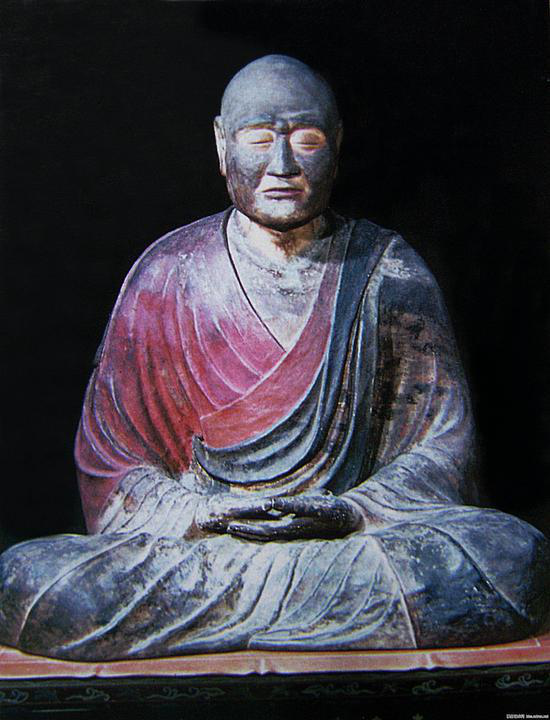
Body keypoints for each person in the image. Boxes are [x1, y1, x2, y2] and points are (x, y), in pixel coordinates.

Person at [0, 55, 548, 661]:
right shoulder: (167, 274)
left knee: (513, 556)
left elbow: (443, 453)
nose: (283, 165)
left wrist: (347, 511)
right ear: (221, 145)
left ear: (337, 145)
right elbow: (113, 468)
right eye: (260, 139)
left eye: (306, 140)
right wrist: (209, 514)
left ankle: (242, 612)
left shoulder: (388, 273)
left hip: (344, 543)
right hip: (208, 547)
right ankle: (305, 611)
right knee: (30, 578)